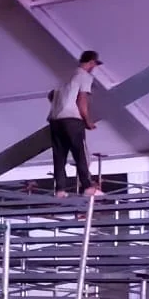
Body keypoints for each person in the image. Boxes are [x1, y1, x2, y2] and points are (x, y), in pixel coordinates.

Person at [47, 50, 104, 198]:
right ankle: (87, 187)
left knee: (59, 156)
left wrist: (60, 106)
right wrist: (87, 120)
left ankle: (60, 190)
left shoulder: (65, 76)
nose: (94, 68)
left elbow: (51, 95)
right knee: (80, 154)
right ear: (91, 62)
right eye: (94, 65)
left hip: (55, 120)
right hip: (72, 119)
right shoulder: (84, 76)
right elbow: (81, 100)